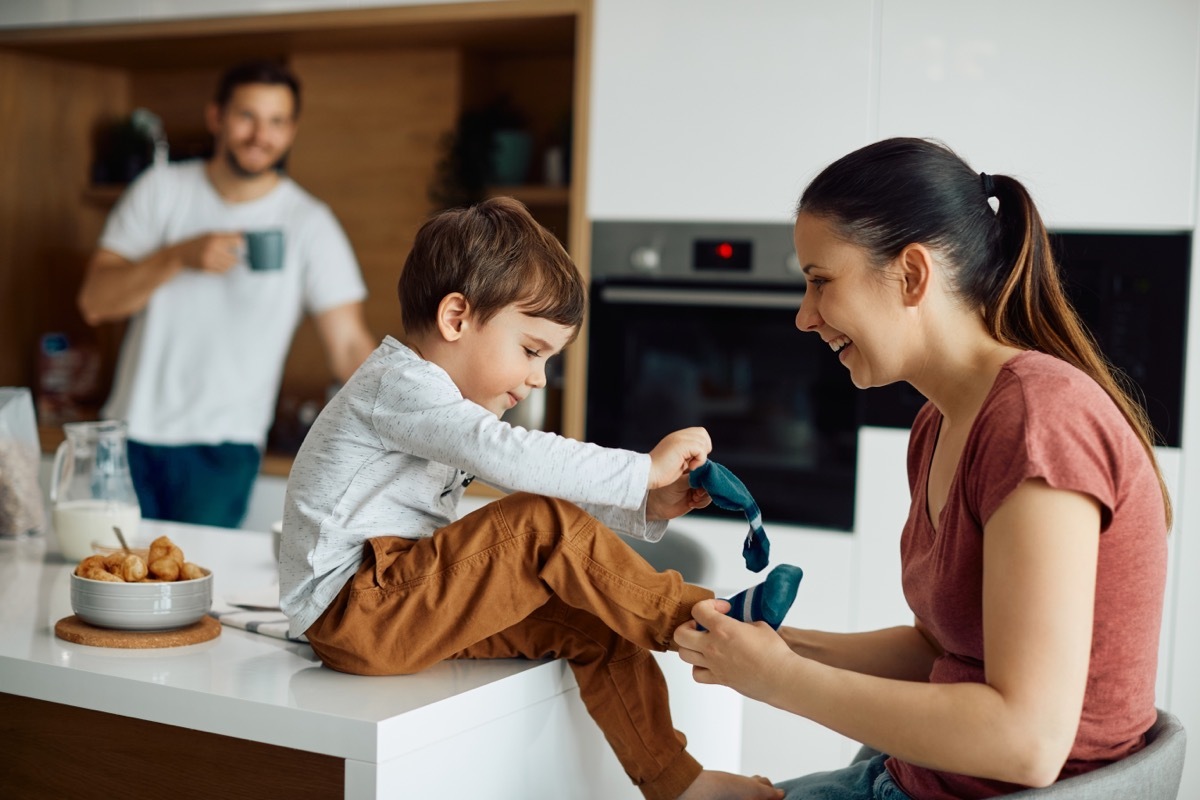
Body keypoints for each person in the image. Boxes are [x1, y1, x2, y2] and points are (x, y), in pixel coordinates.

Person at [674, 138, 1171, 800]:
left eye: (821, 280)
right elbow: (942, 653)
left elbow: (1027, 744)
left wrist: (778, 680)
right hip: (915, 777)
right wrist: (774, 647)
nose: (804, 315)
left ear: (911, 273)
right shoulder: (940, 423)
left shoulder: (1037, 421)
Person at [279, 196, 794, 800]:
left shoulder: (440, 407)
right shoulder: (400, 383)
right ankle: (705, 620)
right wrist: (642, 471)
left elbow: (531, 475)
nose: (538, 378)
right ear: (455, 318)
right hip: (357, 608)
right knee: (536, 524)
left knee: (597, 620)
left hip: (398, 605)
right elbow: (515, 460)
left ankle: (677, 782)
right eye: (531, 350)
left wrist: (645, 504)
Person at [77, 60, 375, 529]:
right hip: (128, 435)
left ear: (292, 130)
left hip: (223, 451)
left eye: (277, 121)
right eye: (247, 116)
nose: (261, 135)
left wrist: (425, 416)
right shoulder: (160, 191)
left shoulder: (309, 223)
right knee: (104, 583)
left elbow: (348, 347)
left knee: (193, 593)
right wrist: (178, 256)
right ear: (216, 117)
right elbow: (96, 301)